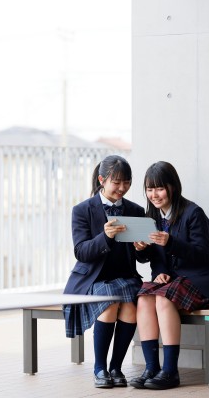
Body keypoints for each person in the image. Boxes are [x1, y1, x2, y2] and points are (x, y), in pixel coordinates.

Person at [130, 161, 209, 390]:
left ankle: (170, 371)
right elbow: (155, 258)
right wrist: (148, 258)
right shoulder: (152, 216)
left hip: (205, 280)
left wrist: (171, 243)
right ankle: (151, 368)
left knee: (162, 298)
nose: (154, 195)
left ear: (173, 187)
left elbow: (203, 255)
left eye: (159, 188)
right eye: (149, 189)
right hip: (176, 281)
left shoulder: (193, 213)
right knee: (144, 297)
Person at [62, 155, 144, 389]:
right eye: (116, 182)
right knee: (109, 303)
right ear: (101, 180)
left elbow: (144, 257)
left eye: (127, 182)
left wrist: (142, 248)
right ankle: (100, 368)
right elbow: (81, 252)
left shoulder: (135, 210)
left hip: (125, 277)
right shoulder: (82, 210)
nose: (122, 188)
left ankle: (116, 367)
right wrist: (105, 237)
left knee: (130, 308)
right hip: (93, 278)